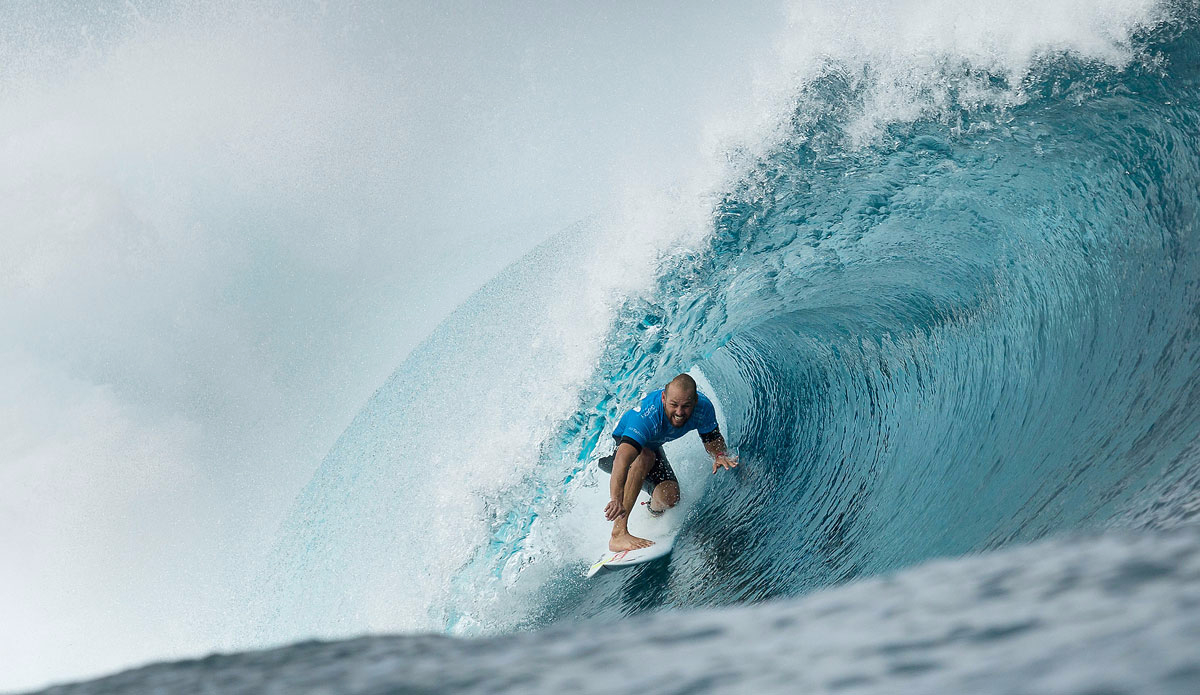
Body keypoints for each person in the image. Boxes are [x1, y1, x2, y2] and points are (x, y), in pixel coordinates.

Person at [598, 373, 737, 551]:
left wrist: (718, 454)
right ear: (664, 398)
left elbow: (711, 437)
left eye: (686, 406)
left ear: (695, 401)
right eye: (674, 405)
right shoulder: (646, 418)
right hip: (612, 450)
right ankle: (618, 534)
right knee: (645, 456)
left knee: (670, 498)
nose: (679, 412)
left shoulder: (703, 408)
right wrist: (616, 499)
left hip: (649, 448)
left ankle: (652, 511)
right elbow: (622, 460)